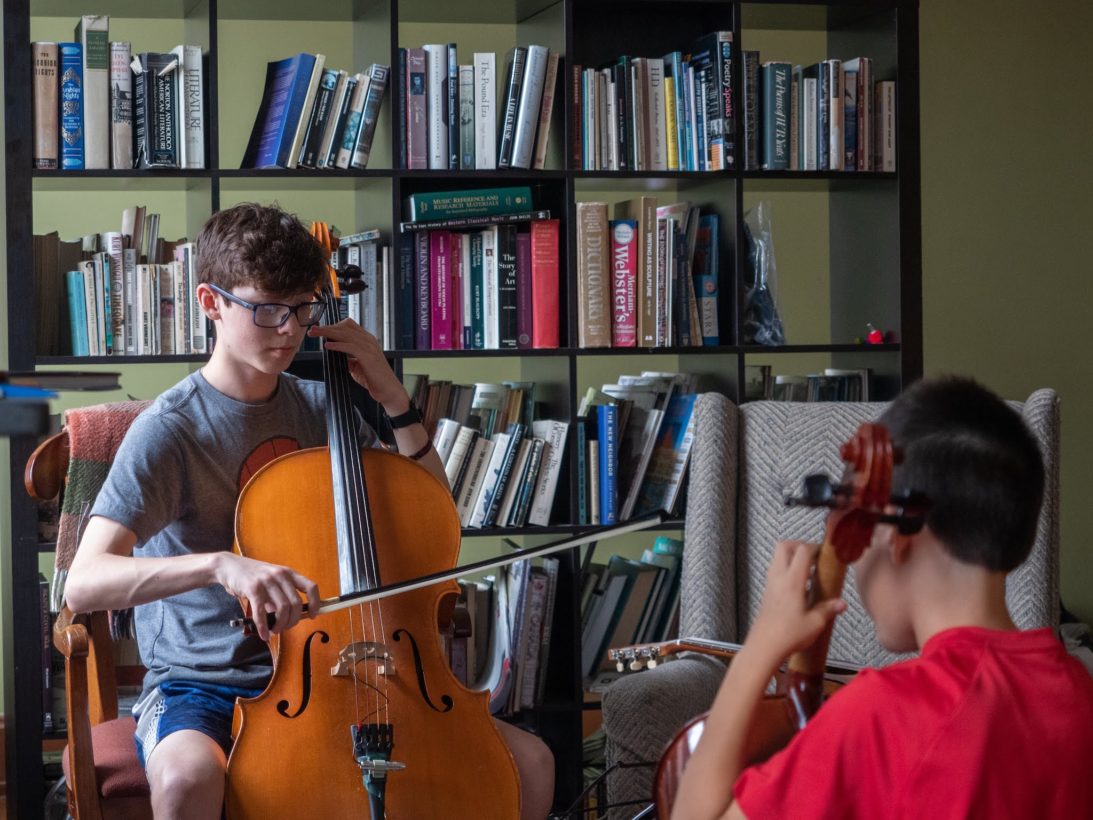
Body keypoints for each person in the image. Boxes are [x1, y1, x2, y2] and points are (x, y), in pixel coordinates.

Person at [64, 203, 554, 820]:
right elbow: (85, 581)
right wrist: (221, 566)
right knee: (188, 779)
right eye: (266, 308)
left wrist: (392, 396)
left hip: (345, 667)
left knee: (531, 763)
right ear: (211, 302)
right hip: (204, 685)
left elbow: (431, 515)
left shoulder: (326, 408)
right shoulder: (171, 431)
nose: (289, 329)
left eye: (302, 307)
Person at [671, 376, 1093, 819]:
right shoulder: (1079, 695)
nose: (848, 563)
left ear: (894, 535)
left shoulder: (883, 717)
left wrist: (759, 648)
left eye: (856, 540)